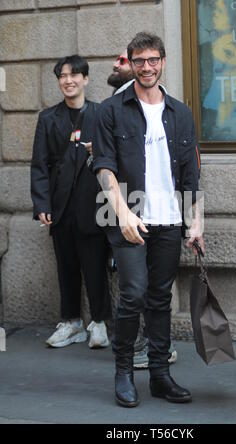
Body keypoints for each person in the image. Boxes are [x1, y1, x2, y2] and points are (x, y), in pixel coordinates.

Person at [92, 32, 203, 407]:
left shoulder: (180, 112)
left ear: (163, 61)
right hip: (127, 216)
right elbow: (103, 165)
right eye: (138, 61)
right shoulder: (111, 109)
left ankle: (160, 374)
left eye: (152, 59)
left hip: (169, 220)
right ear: (131, 64)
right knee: (133, 294)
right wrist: (122, 213)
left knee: (159, 298)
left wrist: (195, 220)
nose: (146, 67)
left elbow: (190, 173)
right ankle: (123, 371)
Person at [31, 55, 111, 349]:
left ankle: (100, 323)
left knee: (95, 266)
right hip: (61, 207)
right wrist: (42, 205)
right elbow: (39, 165)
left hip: (94, 204)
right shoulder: (48, 118)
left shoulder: (102, 114)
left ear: (86, 79)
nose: (68, 80)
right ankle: (71, 322)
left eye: (74, 75)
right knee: (65, 268)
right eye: (63, 76)